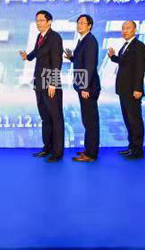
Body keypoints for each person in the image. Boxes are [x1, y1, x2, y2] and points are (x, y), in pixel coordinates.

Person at [19, 10, 64, 163]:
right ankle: (47, 148)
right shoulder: (40, 36)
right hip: (39, 82)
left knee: (56, 118)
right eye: (37, 20)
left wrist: (53, 83)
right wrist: (27, 57)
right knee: (45, 117)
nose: (38, 23)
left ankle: (57, 152)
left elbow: (57, 62)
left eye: (41, 20)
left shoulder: (55, 37)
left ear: (49, 21)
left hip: (50, 84)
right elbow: (37, 51)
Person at [64, 14, 101, 162]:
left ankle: (91, 154)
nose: (79, 25)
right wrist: (72, 58)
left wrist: (85, 87)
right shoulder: (83, 40)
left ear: (89, 26)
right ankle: (88, 149)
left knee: (91, 121)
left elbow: (90, 65)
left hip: (88, 87)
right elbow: (82, 60)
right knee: (87, 120)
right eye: (78, 23)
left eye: (83, 23)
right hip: (82, 85)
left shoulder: (90, 40)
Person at [108, 20, 145, 160]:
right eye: (123, 28)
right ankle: (131, 147)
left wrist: (138, 88)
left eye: (128, 28)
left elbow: (140, 68)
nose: (125, 31)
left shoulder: (138, 46)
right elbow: (124, 63)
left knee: (135, 120)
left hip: (132, 90)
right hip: (123, 89)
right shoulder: (126, 45)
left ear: (135, 30)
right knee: (128, 119)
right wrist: (113, 57)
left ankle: (137, 150)